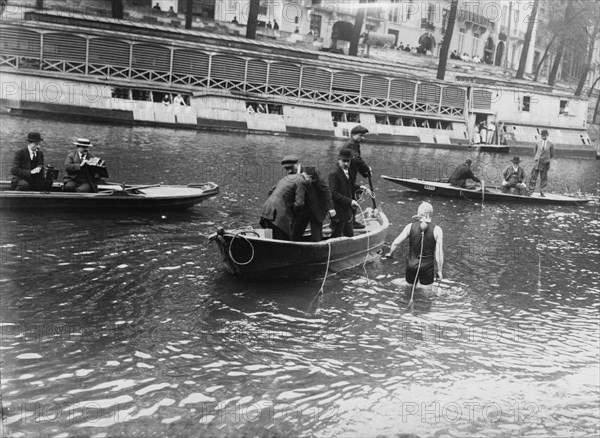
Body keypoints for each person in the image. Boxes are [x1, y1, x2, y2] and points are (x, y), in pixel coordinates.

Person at [385, 202, 444, 287]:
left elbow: (396, 243)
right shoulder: (437, 230)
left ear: (419, 213)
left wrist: (390, 253)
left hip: (411, 265)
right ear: (431, 214)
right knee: (425, 295)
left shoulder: (410, 226)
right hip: (427, 267)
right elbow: (439, 253)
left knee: (408, 291)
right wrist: (439, 271)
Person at [259, 156, 307, 240]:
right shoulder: (300, 180)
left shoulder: (285, 178)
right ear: (296, 166)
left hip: (266, 213)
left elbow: (270, 191)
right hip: (279, 219)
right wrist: (293, 215)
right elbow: (299, 204)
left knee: (272, 240)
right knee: (284, 240)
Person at [292, 166, 336, 242]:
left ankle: (317, 247)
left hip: (316, 210)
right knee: (295, 234)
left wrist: (330, 208)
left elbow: (326, 192)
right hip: (303, 209)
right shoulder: (296, 176)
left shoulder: (317, 177)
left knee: (316, 237)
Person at [341, 124, 371, 229]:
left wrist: (365, 173)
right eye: (361, 135)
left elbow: (356, 162)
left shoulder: (355, 144)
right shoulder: (351, 145)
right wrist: (367, 169)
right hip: (346, 176)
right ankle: (350, 222)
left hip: (349, 174)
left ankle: (350, 220)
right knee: (350, 196)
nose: (363, 138)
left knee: (352, 195)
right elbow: (356, 159)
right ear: (353, 134)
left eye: (364, 136)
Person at [329, 149, 360, 238]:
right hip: (338, 211)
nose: (346, 164)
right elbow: (334, 193)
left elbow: (349, 186)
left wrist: (360, 188)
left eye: (348, 161)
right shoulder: (334, 173)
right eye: (344, 161)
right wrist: (350, 201)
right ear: (339, 160)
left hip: (347, 211)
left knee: (350, 235)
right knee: (336, 235)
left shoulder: (348, 171)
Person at [527, 129, 554, 197]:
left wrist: (546, 159)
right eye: (542, 135)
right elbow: (535, 152)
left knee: (543, 178)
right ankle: (531, 190)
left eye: (545, 135)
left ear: (547, 136)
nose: (543, 137)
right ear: (541, 136)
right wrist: (537, 158)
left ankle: (542, 192)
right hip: (537, 162)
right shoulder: (538, 143)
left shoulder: (550, 144)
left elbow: (552, 154)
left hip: (545, 163)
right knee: (533, 177)